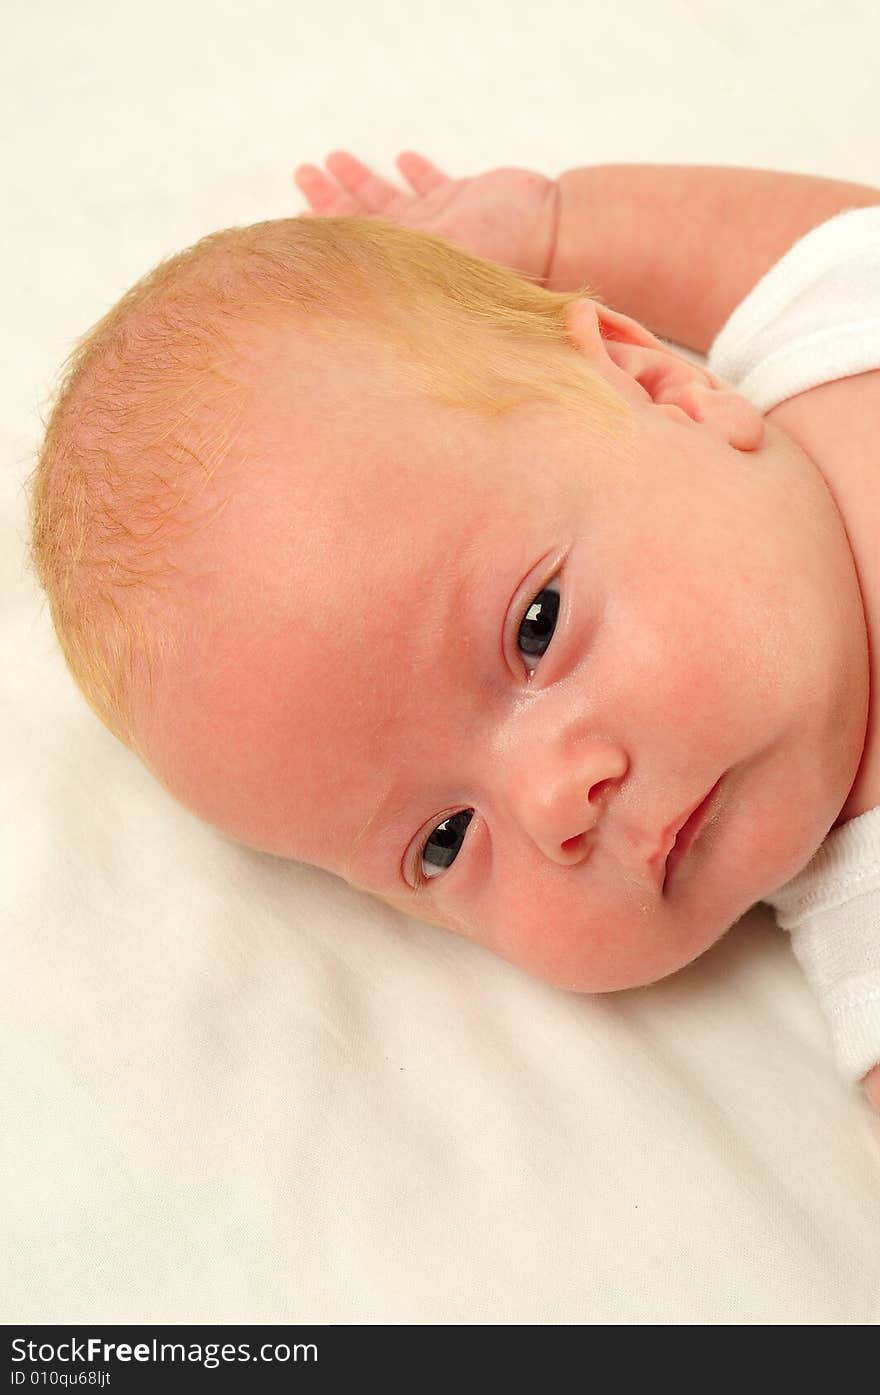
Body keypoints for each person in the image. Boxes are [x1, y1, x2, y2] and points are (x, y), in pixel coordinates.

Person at [27, 152, 880, 1107]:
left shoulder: (830, 339)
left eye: (537, 629)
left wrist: (559, 228)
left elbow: (801, 245)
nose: (556, 803)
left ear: (660, 388)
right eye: (443, 840)